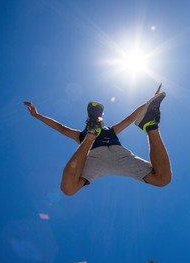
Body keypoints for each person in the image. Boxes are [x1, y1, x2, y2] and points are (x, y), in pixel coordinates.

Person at [23, 84, 171, 196]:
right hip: (110, 156)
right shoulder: (110, 130)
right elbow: (130, 119)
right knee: (162, 179)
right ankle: (93, 135)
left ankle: (148, 125)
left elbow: (60, 128)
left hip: (103, 156)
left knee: (68, 189)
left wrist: (149, 104)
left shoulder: (83, 134)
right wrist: (37, 116)